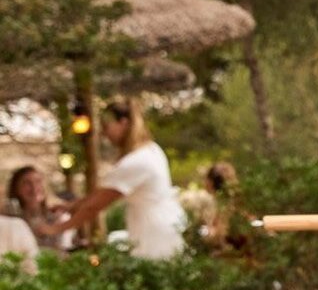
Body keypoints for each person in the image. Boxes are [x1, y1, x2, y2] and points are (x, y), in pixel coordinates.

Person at [39, 98, 187, 260]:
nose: (104, 134)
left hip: (154, 232)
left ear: (123, 123)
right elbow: (99, 195)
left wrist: (55, 229)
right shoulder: (151, 150)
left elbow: (94, 206)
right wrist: (70, 206)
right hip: (162, 225)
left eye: (106, 127)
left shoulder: (136, 162)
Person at [7, 165, 71, 251]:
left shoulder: (58, 216)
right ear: (16, 189)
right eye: (27, 183)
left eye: (38, 181)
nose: (34, 188)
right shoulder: (11, 219)